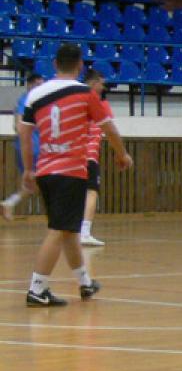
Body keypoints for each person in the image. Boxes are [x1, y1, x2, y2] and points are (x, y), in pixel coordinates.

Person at [19, 44, 133, 307]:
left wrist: (28, 168)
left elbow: (24, 133)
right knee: (58, 230)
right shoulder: (86, 94)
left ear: (55, 64)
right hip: (70, 171)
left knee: (69, 229)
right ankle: (37, 289)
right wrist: (122, 155)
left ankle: (85, 283)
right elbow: (109, 129)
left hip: (46, 170)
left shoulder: (36, 94)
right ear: (80, 65)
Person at [1, 73, 44, 220]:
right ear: (29, 85)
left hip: (33, 146)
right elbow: (19, 125)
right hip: (32, 147)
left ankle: (10, 203)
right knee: (43, 180)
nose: (41, 88)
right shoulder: (26, 100)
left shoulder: (35, 101)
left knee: (36, 183)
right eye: (38, 85)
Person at [80, 69, 112, 246]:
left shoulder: (76, 101)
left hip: (74, 156)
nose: (104, 87)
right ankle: (84, 232)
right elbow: (110, 128)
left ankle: (71, 230)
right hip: (90, 155)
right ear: (93, 83)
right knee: (91, 192)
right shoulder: (101, 104)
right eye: (101, 83)